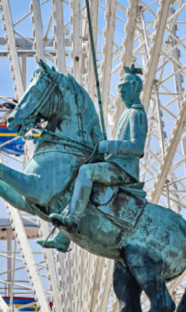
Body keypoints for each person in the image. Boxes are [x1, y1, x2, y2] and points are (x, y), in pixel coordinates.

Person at [49, 65, 147, 234]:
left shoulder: (136, 114)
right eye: (119, 87)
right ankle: (65, 235)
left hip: (125, 170)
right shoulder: (128, 112)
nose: (121, 91)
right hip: (116, 164)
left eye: (125, 87)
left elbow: (137, 147)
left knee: (86, 172)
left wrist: (108, 145)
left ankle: (73, 219)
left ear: (135, 89)